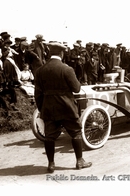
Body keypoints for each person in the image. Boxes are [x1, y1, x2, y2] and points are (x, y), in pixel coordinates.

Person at [34, 42, 92, 173]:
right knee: (75, 132)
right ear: (61, 53)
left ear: (49, 53)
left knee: (50, 136)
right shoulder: (67, 69)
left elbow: (37, 94)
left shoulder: (40, 71)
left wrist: (42, 109)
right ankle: (79, 161)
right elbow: (76, 89)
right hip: (67, 107)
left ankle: (51, 164)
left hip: (49, 108)